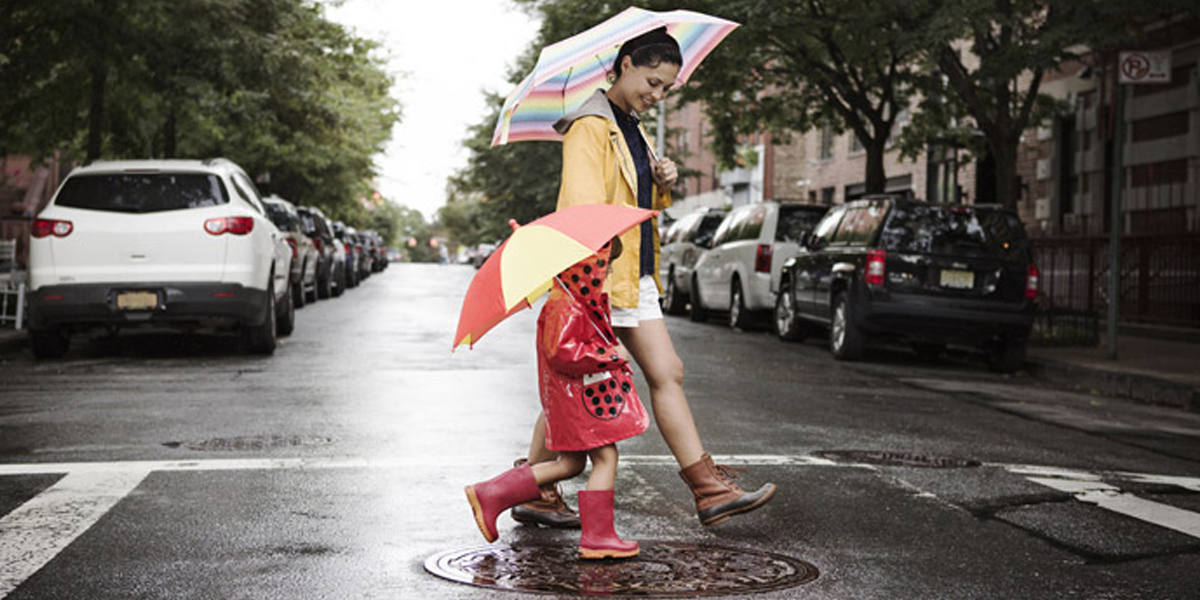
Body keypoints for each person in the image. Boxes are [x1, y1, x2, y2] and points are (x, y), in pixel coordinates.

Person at [511, 27, 776, 530]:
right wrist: (592, 291)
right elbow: (585, 211)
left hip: (637, 273)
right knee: (597, 379)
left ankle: (701, 489)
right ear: (626, 63)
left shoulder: (630, 125)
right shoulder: (592, 125)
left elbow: (634, 204)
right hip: (604, 278)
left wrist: (663, 185)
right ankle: (702, 487)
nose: (656, 95)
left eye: (666, 89)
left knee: (659, 372)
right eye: (652, 81)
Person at [466, 240, 648, 559]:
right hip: (576, 397)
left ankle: (491, 493)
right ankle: (598, 538)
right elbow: (563, 353)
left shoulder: (576, 300)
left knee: (570, 463)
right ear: (584, 267)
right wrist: (609, 354)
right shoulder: (565, 305)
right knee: (606, 458)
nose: (609, 273)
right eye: (605, 265)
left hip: (575, 396)